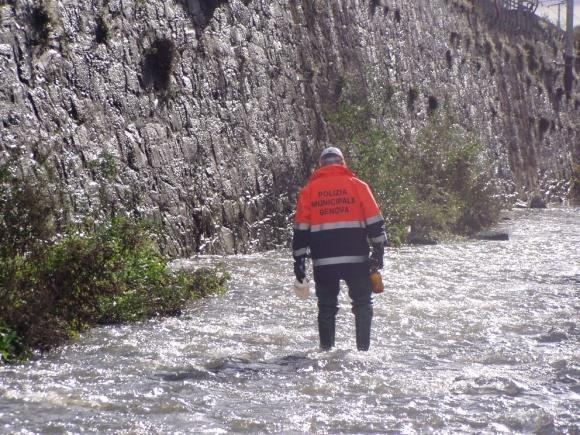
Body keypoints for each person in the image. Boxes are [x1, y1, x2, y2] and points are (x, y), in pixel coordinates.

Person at [292, 146, 386, 351]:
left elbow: (301, 232)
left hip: (324, 262)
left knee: (326, 307)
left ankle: (326, 351)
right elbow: (375, 224)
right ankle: (363, 351)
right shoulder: (359, 186)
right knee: (362, 304)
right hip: (357, 260)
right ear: (343, 163)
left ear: (320, 166)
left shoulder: (308, 191)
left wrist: (299, 262)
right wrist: (378, 253)